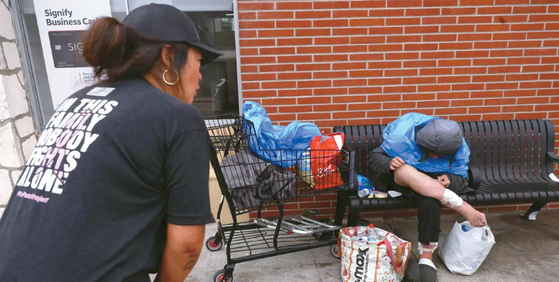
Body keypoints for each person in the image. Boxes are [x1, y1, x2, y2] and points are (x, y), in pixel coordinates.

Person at [0, 4, 222, 282]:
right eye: (199, 61)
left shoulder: (75, 102)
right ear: (168, 56)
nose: (201, 75)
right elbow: (187, 242)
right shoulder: (178, 118)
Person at [368, 112, 487, 282]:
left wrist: (451, 180)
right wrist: (389, 163)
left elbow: (462, 177)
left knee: (430, 200)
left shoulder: (457, 147)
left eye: (441, 154)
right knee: (404, 170)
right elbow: (374, 157)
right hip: (402, 183)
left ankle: (426, 256)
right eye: (432, 152)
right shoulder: (403, 137)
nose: (436, 157)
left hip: (433, 187)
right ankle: (463, 207)